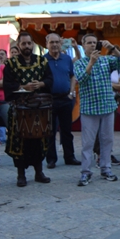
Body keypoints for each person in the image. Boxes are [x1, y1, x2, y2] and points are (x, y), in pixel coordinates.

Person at [3, 32, 53, 187]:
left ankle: (39, 172)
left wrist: (41, 84)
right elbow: (7, 85)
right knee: (20, 143)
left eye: (29, 43)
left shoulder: (41, 61)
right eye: (23, 44)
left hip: (38, 109)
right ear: (18, 45)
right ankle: (21, 175)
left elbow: (50, 79)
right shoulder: (11, 64)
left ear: (33, 45)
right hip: (19, 110)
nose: (26, 47)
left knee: (39, 141)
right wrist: (22, 87)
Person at [75, 34, 120, 186]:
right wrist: (91, 63)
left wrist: (112, 48)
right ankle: (86, 172)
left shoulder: (105, 60)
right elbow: (81, 79)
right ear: (83, 45)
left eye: (94, 43)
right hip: (89, 109)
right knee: (88, 143)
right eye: (89, 43)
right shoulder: (79, 63)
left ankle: (106, 169)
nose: (92, 45)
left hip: (107, 106)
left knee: (107, 140)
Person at [44, 33, 80, 169]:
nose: (54, 45)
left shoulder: (67, 59)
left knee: (66, 130)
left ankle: (69, 157)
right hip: (50, 99)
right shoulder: (42, 60)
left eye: (56, 42)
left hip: (66, 98)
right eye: (51, 42)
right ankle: (51, 159)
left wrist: (71, 92)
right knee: (50, 131)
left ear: (60, 43)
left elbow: (72, 76)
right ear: (47, 44)